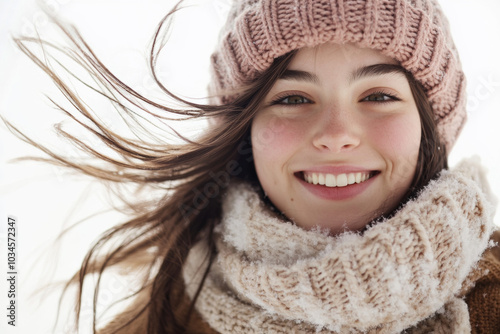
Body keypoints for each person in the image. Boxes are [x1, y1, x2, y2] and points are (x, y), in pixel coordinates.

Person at [9, 0, 500, 333]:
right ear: (244, 133)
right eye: (292, 97)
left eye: (378, 95)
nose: (335, 134)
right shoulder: (160, 317)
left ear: (429, 126)